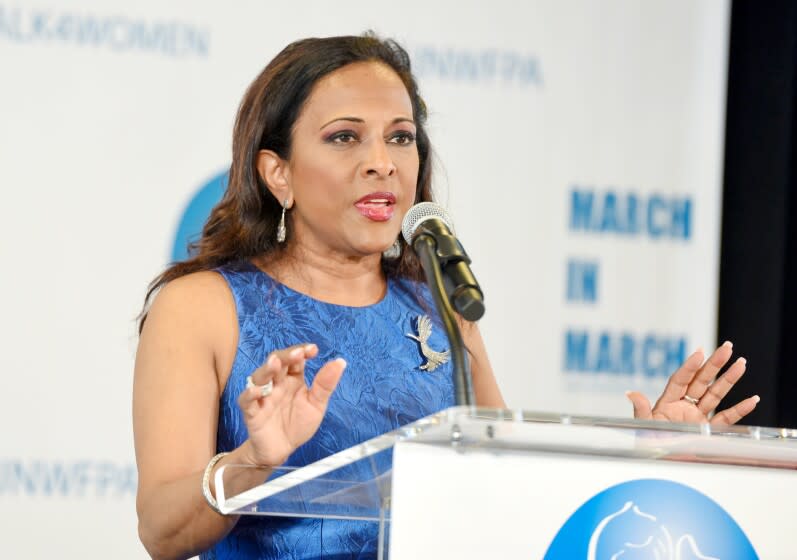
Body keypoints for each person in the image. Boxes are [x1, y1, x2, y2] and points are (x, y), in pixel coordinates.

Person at [133, 33, 759, 560]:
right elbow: (161, 528)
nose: (382, 163)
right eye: (345, 137)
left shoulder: (440, 304)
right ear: (279, 173)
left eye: (400, 137)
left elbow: (512, 493)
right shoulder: (204, 306)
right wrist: (254, 460)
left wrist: (645, 457)